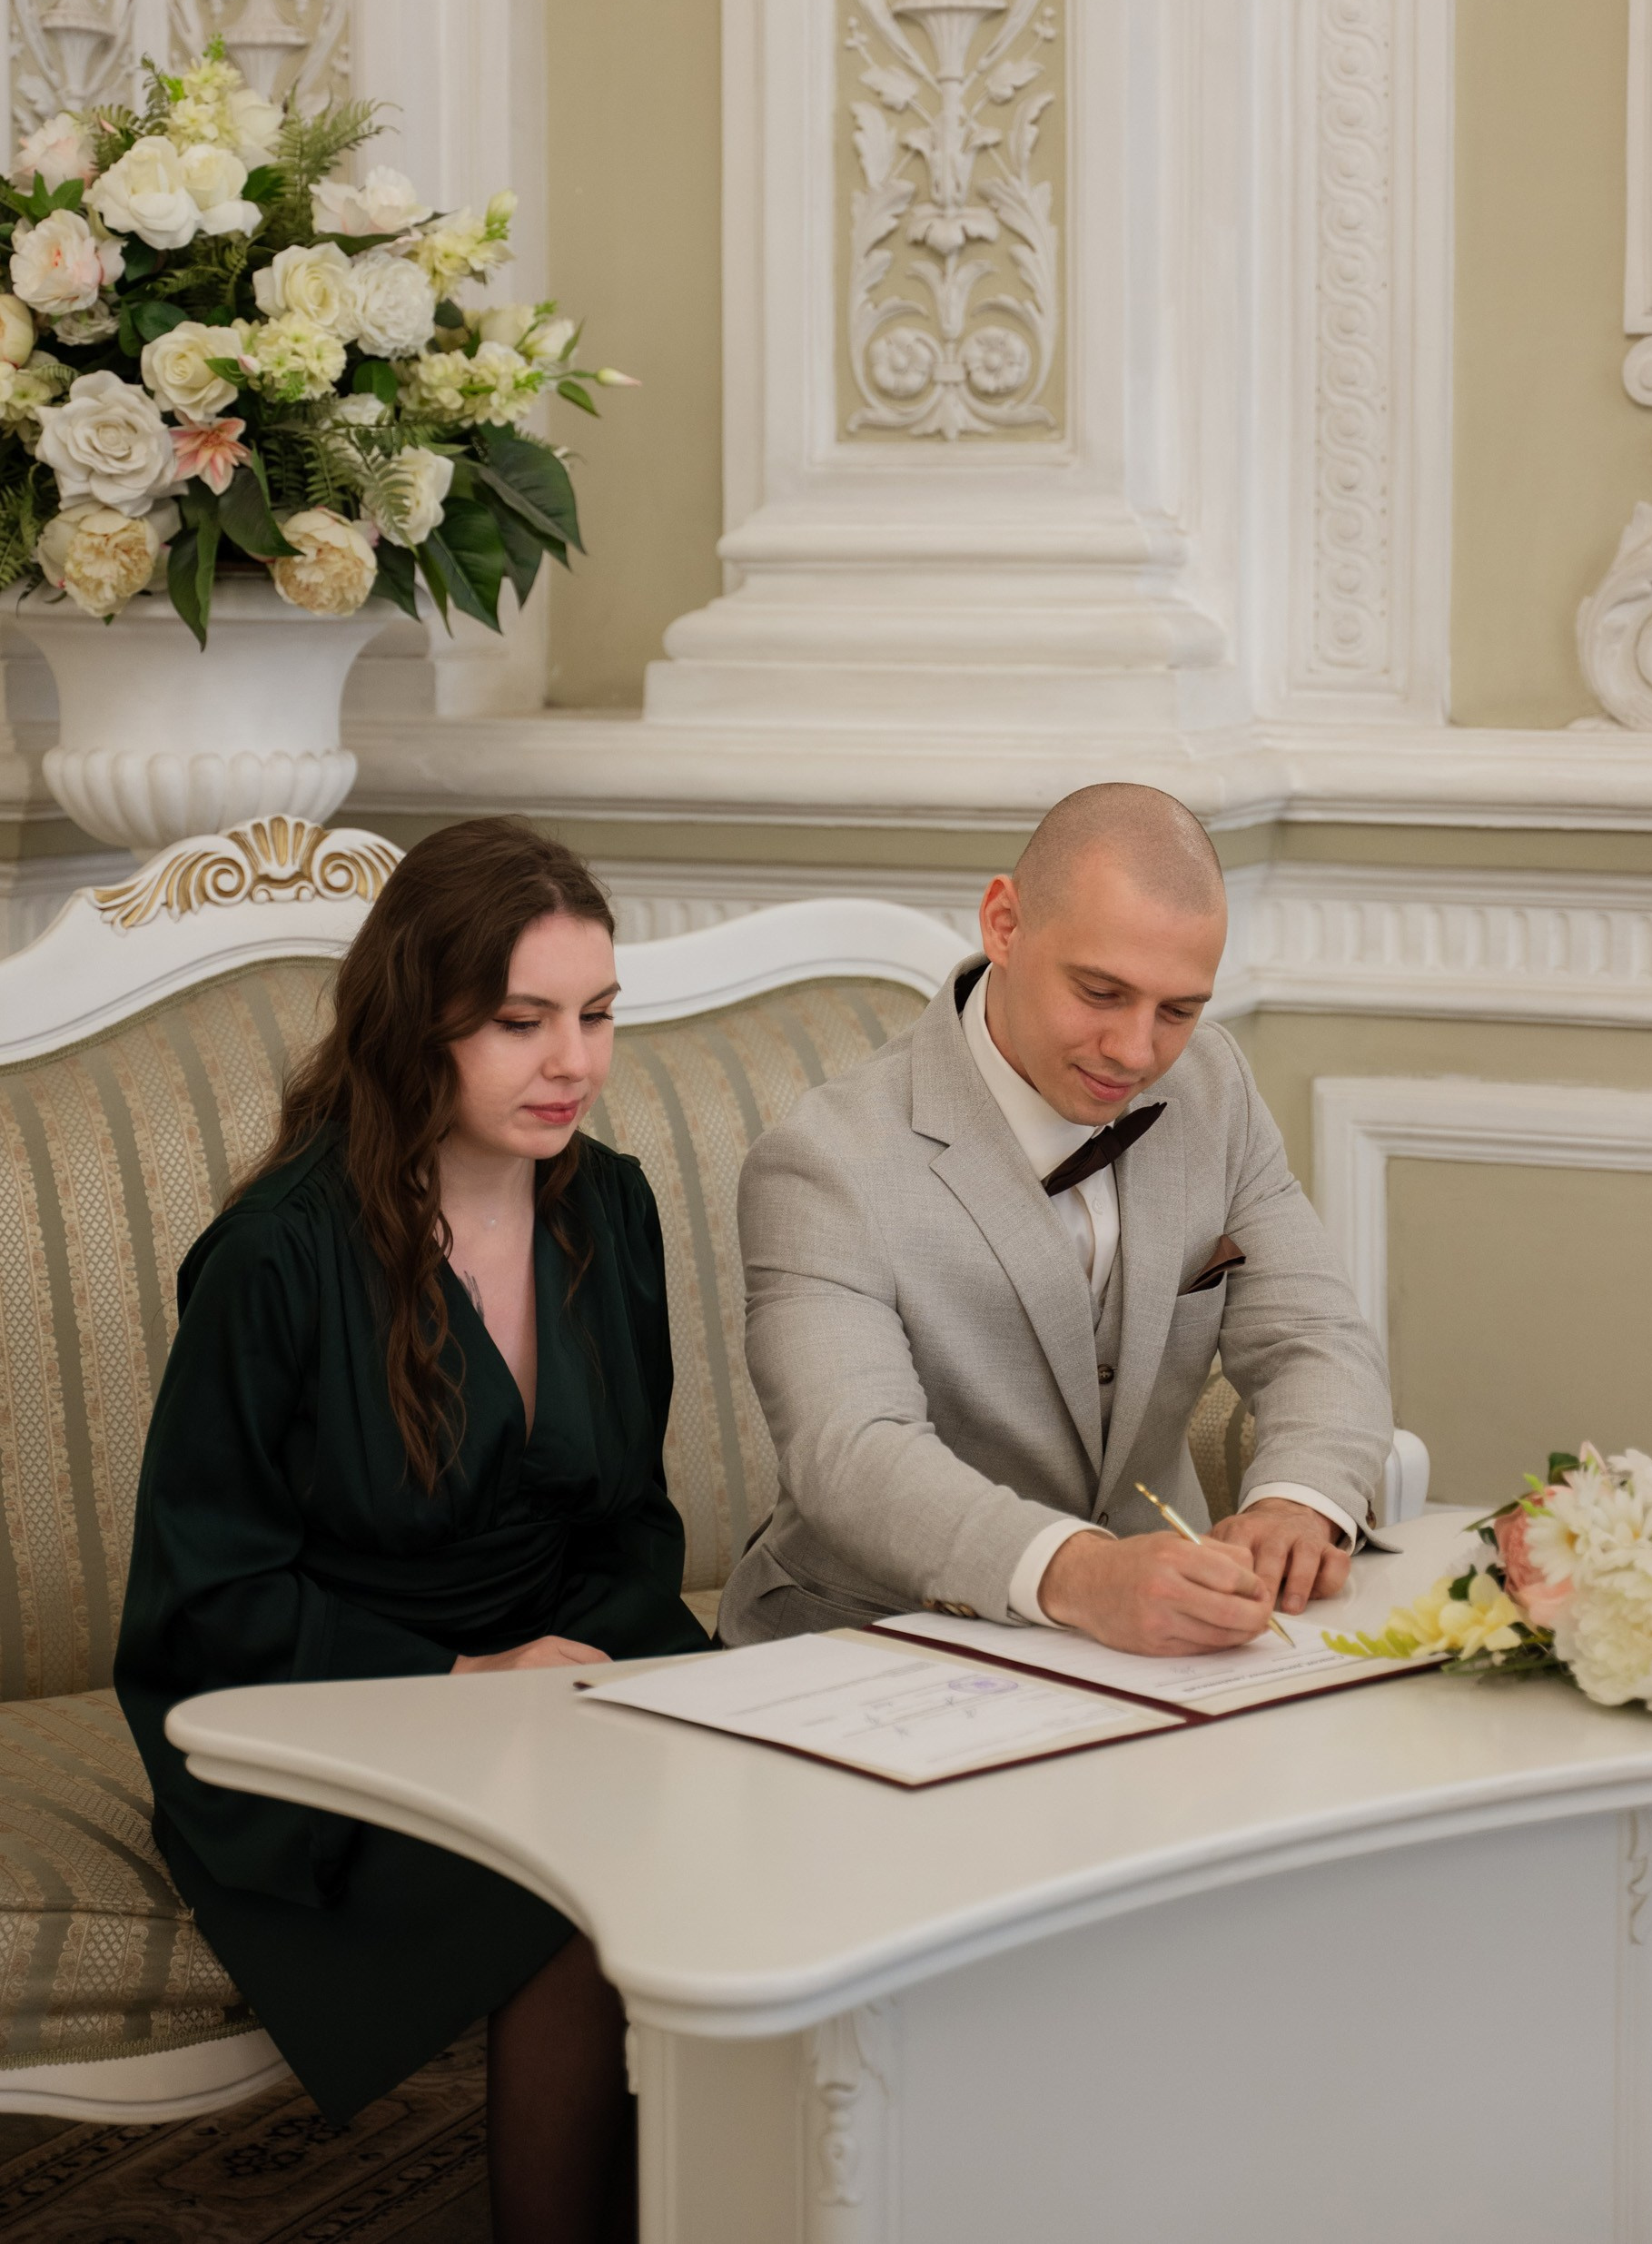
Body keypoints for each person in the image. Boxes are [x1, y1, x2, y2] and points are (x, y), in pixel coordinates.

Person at [115, 816, 710, 2244]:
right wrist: (462, 1688)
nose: (573, 1062)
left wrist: (630, 1680)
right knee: (575, 1898)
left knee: (774, 1795)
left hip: (561, 1669)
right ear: (417, 1022)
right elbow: (206, 1603)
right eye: (521, 1023)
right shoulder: (280, 1260)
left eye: (597, 1016)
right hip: (318, 1711)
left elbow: (633, 1518)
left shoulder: (609, 1211)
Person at [718, 783, 1392, 1655]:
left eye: (1178, 1010)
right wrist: (1081, 1573)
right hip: (879, 1642)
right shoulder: (823, 1162)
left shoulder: (1213, 1088)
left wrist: (1300, 1498)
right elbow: (852, 1454)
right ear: (1004, 923)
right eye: (1102, 992)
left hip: (1166, 1655)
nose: (1137, 1052)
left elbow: (1316, 1334)